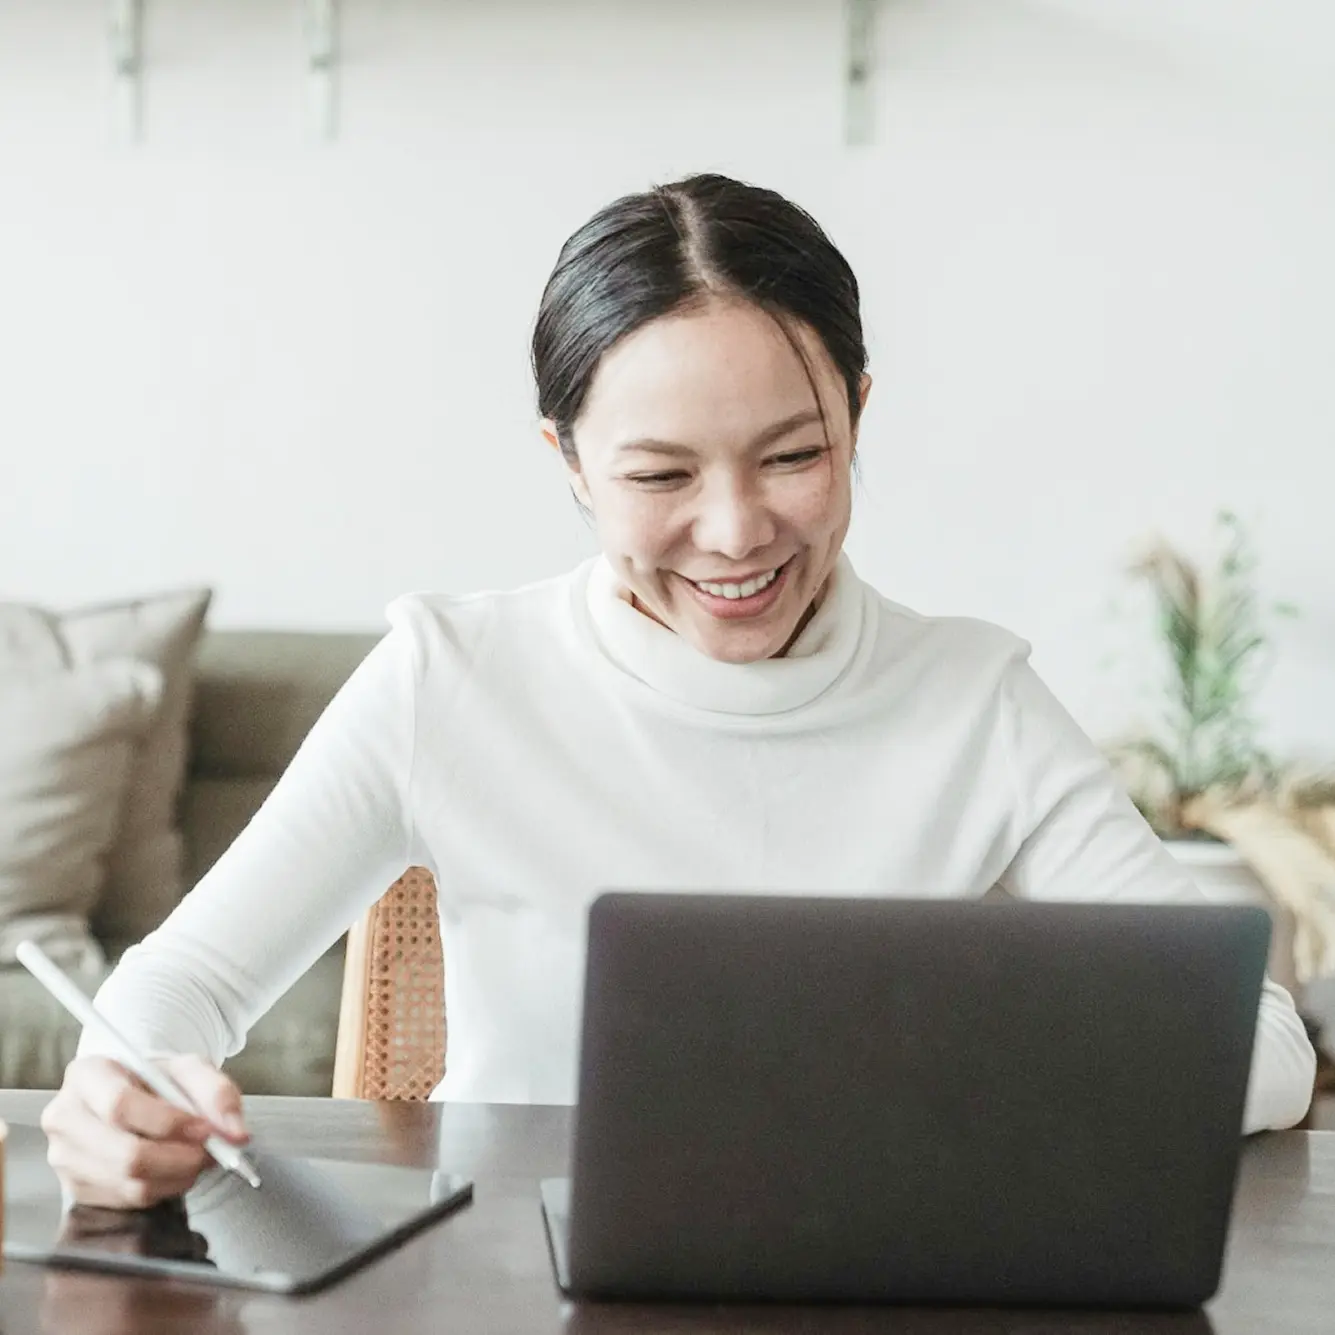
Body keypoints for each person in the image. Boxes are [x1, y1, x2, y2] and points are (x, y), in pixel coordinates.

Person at [42, 173, 1316, 1208]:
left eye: (795, 455)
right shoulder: (451, 678)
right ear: (571, 464)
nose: (735, 532)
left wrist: (989, 1072)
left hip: (876, 1282)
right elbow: (180, 986)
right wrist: (119, 1092)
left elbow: (1263, 1045)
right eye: (659, 477)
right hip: (510, 1283)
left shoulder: (975, 700)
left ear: (858, 417)